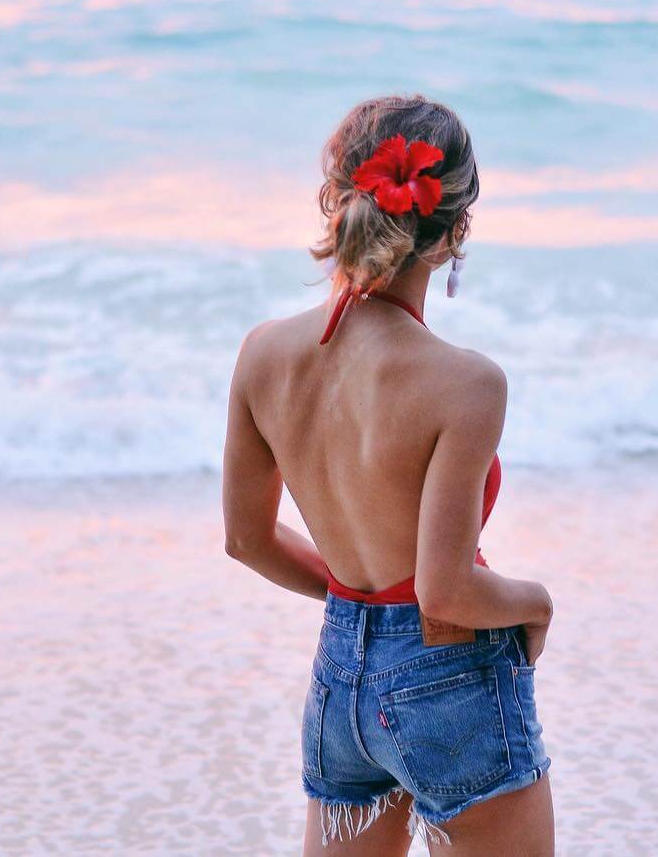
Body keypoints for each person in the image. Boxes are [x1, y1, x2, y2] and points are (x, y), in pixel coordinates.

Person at [222, 93, 555, 854]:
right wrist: (536, 605)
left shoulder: (263, 355)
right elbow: (446, 591)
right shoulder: (466, 384)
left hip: (340, 683)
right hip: (452, 681)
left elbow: (246, 539)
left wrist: (361, 608)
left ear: (335, 201)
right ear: (455, 232)